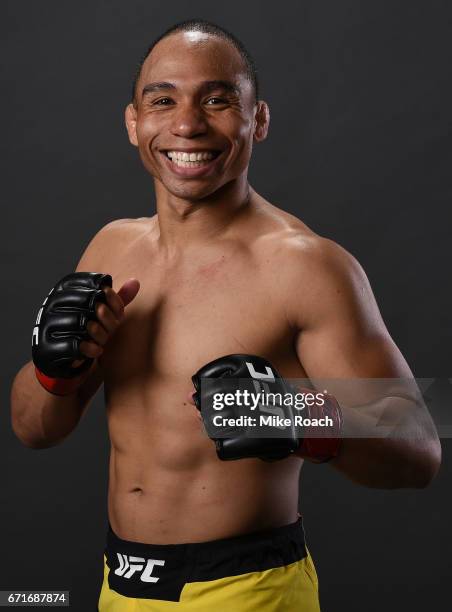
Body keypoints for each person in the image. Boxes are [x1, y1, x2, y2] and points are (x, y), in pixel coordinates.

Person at [11, 19, 441, 612]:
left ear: (257, 120)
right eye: (163, 100)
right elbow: (34, 430)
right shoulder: (111, 248)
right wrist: (56, 373)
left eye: (217, 100)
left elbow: (420, 451)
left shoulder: (307, 266)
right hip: (119, 586)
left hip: (249, 589)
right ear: (134, 123)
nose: (187, 124)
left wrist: (304, 418)